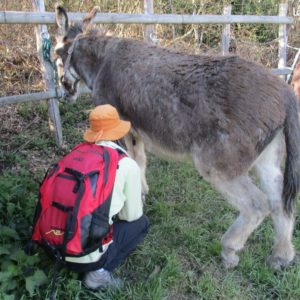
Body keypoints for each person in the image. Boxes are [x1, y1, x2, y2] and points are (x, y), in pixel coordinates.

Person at [82, 104, 149, 290]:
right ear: (118, 132)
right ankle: (98, 274)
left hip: (55, 244)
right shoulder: (126, 164)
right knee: (141, 224)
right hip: (83, 252)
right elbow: (131, 216)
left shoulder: (78, 154)